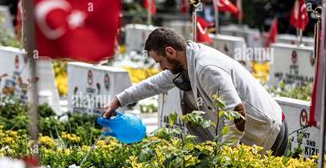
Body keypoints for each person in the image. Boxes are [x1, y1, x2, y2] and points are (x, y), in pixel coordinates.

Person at [103, 27, 288, 156]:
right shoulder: (184, 64)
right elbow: (154, 84)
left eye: (159, 61)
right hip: (253, 135)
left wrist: (224, 159)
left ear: (170, 51)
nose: (160, 68)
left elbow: (236, 114)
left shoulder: (206, 68)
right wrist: (118, 100)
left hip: (267, 134)